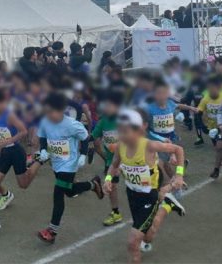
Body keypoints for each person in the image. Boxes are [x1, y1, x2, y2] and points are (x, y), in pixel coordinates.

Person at [104, 109, 186, 263]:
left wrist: (179, 175)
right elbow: (114, 165)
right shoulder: (120, 146)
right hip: (132, 195)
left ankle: (163, 203)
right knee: (148, 237)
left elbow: (178, 149)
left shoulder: (149, 146)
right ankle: (167, 206)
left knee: (133, 243)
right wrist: (108, 179)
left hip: (150, 196)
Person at [35, 91, 103, 244]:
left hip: (69, 164)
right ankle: (93, 184)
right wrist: (43, 149)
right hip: (56, 163)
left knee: (58, 193)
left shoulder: (71, 124)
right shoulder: (45, 121)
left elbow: (85, 138)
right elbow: (43, 136)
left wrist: (83, 154)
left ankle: (52, 231)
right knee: (69, 191)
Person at [0, 88, 44, 235]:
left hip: (16, 152)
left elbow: (23, 131)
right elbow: (0, 133)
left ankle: (39, 161)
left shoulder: (9, 114)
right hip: (5, 153)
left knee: (23, 184)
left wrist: (6, 142)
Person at [92, 90, 124, 226]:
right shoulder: (103, 121)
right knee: (112, 185)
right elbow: (93, 136)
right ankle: (116, 213)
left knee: (138, 185)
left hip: (130, 160)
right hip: (113, 161)